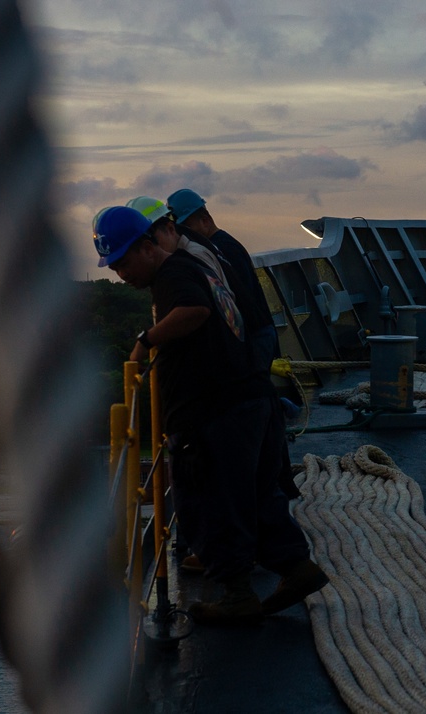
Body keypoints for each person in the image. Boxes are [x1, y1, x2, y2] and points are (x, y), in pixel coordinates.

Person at [92, 206, 328, 623]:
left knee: (212, 501)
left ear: (148, 247)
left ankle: (237, 595)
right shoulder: (190, 263)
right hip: (246, 399)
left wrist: (146, 340)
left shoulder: (174, 276)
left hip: (216, 412)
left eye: (124, 262)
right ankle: (297, 568)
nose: (120, 274)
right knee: (255, 497)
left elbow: (193, 311)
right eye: (113, 267)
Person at [167, 188, 279, 366]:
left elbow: (240, 297)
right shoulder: (220, 247)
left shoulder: (223, 250)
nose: (184, 235)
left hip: (255, 335)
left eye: (187, 228)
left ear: (205, 220)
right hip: (257, 333)